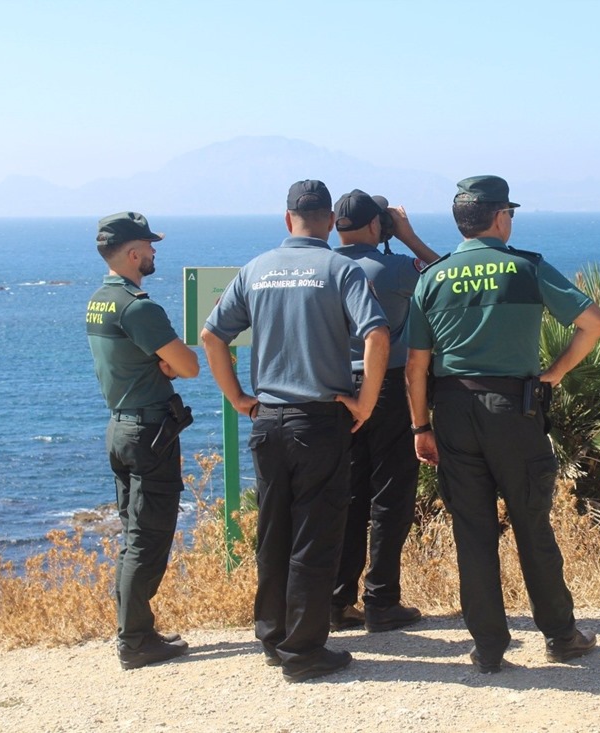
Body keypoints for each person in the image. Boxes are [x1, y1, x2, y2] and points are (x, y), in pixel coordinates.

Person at [405, 176, 600, 673]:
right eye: (510, 213)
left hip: (452, 412)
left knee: (472, 532)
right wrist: (555, 373)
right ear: (500, 217)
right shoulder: (525, 268)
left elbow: (415, 365)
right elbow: (594, 322)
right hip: (513, 410)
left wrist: (420, 428)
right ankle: (561, 637)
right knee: (531, 524)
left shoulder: (432, 278)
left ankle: (490, 648)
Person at [200, 180, 389, 683]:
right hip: (319, 420)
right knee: (315, 534)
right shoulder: (340, 268)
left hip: (268, 422)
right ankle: (303, 651)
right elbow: (376, 333)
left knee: (274, 531)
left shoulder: (255, 270)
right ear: (328, 222)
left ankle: (272, 636)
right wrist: (366, 402)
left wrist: (239, 398)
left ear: (287, 220)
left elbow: (210, 336)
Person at [86, 211, 200, 670]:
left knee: (134, 535)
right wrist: (170, 364)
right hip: (149, 433)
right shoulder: (139, 306)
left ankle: (138, 630)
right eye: (150, 247)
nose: (154, 252)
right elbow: (189, 366)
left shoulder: (99, 299)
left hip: (121, 427)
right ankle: (134, 641)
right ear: (133, 253)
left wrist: (164, 363)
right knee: (148, 538)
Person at [330, 190, 439, 633]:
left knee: (348, 497)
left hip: (339, 391)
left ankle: (338, 601)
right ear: (378, 226)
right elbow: (444, 278)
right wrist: (409, 236)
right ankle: (382, 600)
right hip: (390, 388)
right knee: (390, 496)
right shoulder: (394, 268)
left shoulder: (328, 268)